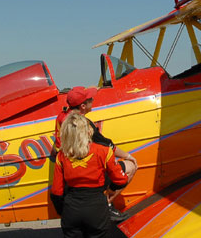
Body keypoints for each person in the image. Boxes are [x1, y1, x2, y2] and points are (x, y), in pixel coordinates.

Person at [51, 113, 128, 238]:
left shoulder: (61, 156)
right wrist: (110, 191)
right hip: (96, 207)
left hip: (72, 207)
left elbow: (56, 192)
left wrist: (63, 211)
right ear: (88, 131)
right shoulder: (103, 151)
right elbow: (121, 180)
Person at [52, 86, 137, 221]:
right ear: (83, 106)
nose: (93, 101)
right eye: (90, 99)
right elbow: (107, 145)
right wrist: (128, 156)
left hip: (67, 174)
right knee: (131, 166)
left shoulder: (62, 117)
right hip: (83, 175)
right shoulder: (84, 124)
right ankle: (107, 206)